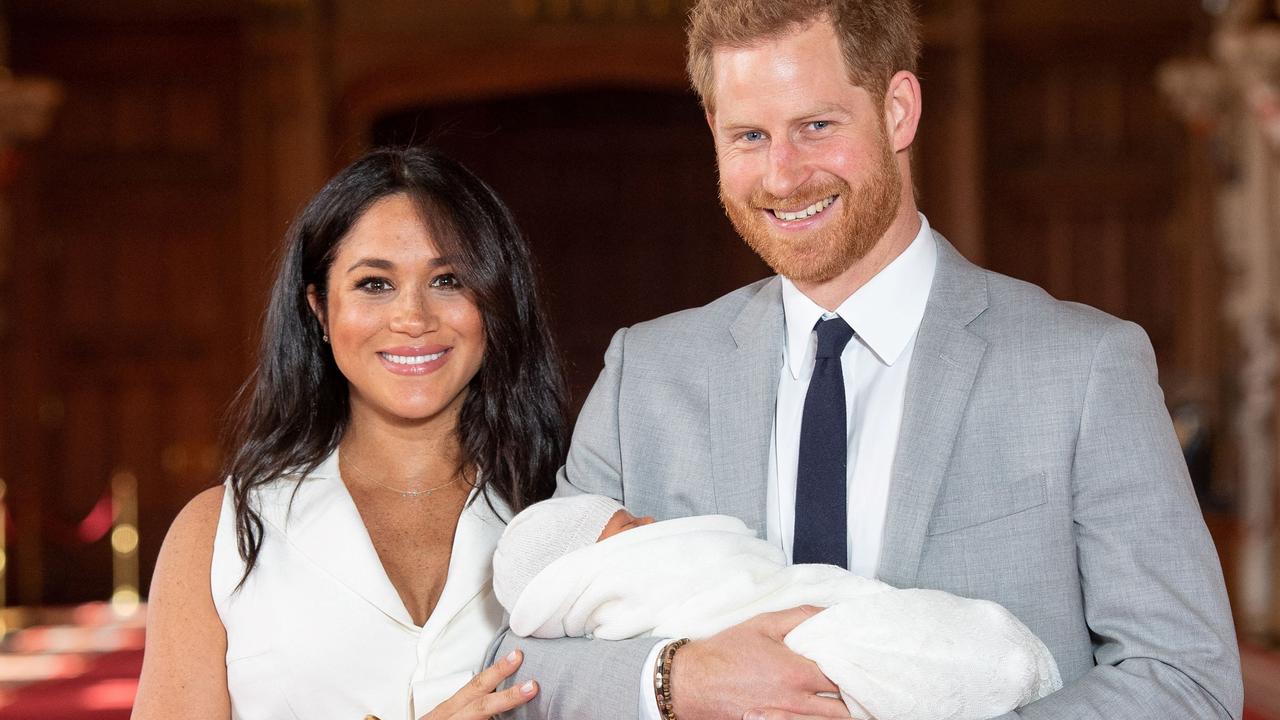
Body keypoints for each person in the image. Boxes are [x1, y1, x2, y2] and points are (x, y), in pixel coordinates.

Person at [495, 1, 1243, 719]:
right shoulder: (647, 375)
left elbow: (1185, 680)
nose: (783, 176)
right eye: (748, 136)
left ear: (898, 111)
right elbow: (517, 664)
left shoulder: (1085, 369)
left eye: (816, 126)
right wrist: (677, 681)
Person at [133, 147, 566, 720]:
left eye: (448, 279)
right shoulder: (218, 536)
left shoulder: (565, 510)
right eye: (374, 285)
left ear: (495, 302)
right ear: (319, 309)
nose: (413, 318)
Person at [491, 494, 1061, 720]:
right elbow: (520, 664)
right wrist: (675, 677)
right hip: (811, 637)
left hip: (826, 614)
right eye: (634, 528)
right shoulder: (635, 368)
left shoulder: (1090, 357)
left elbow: (1151, 661)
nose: (653, 525)